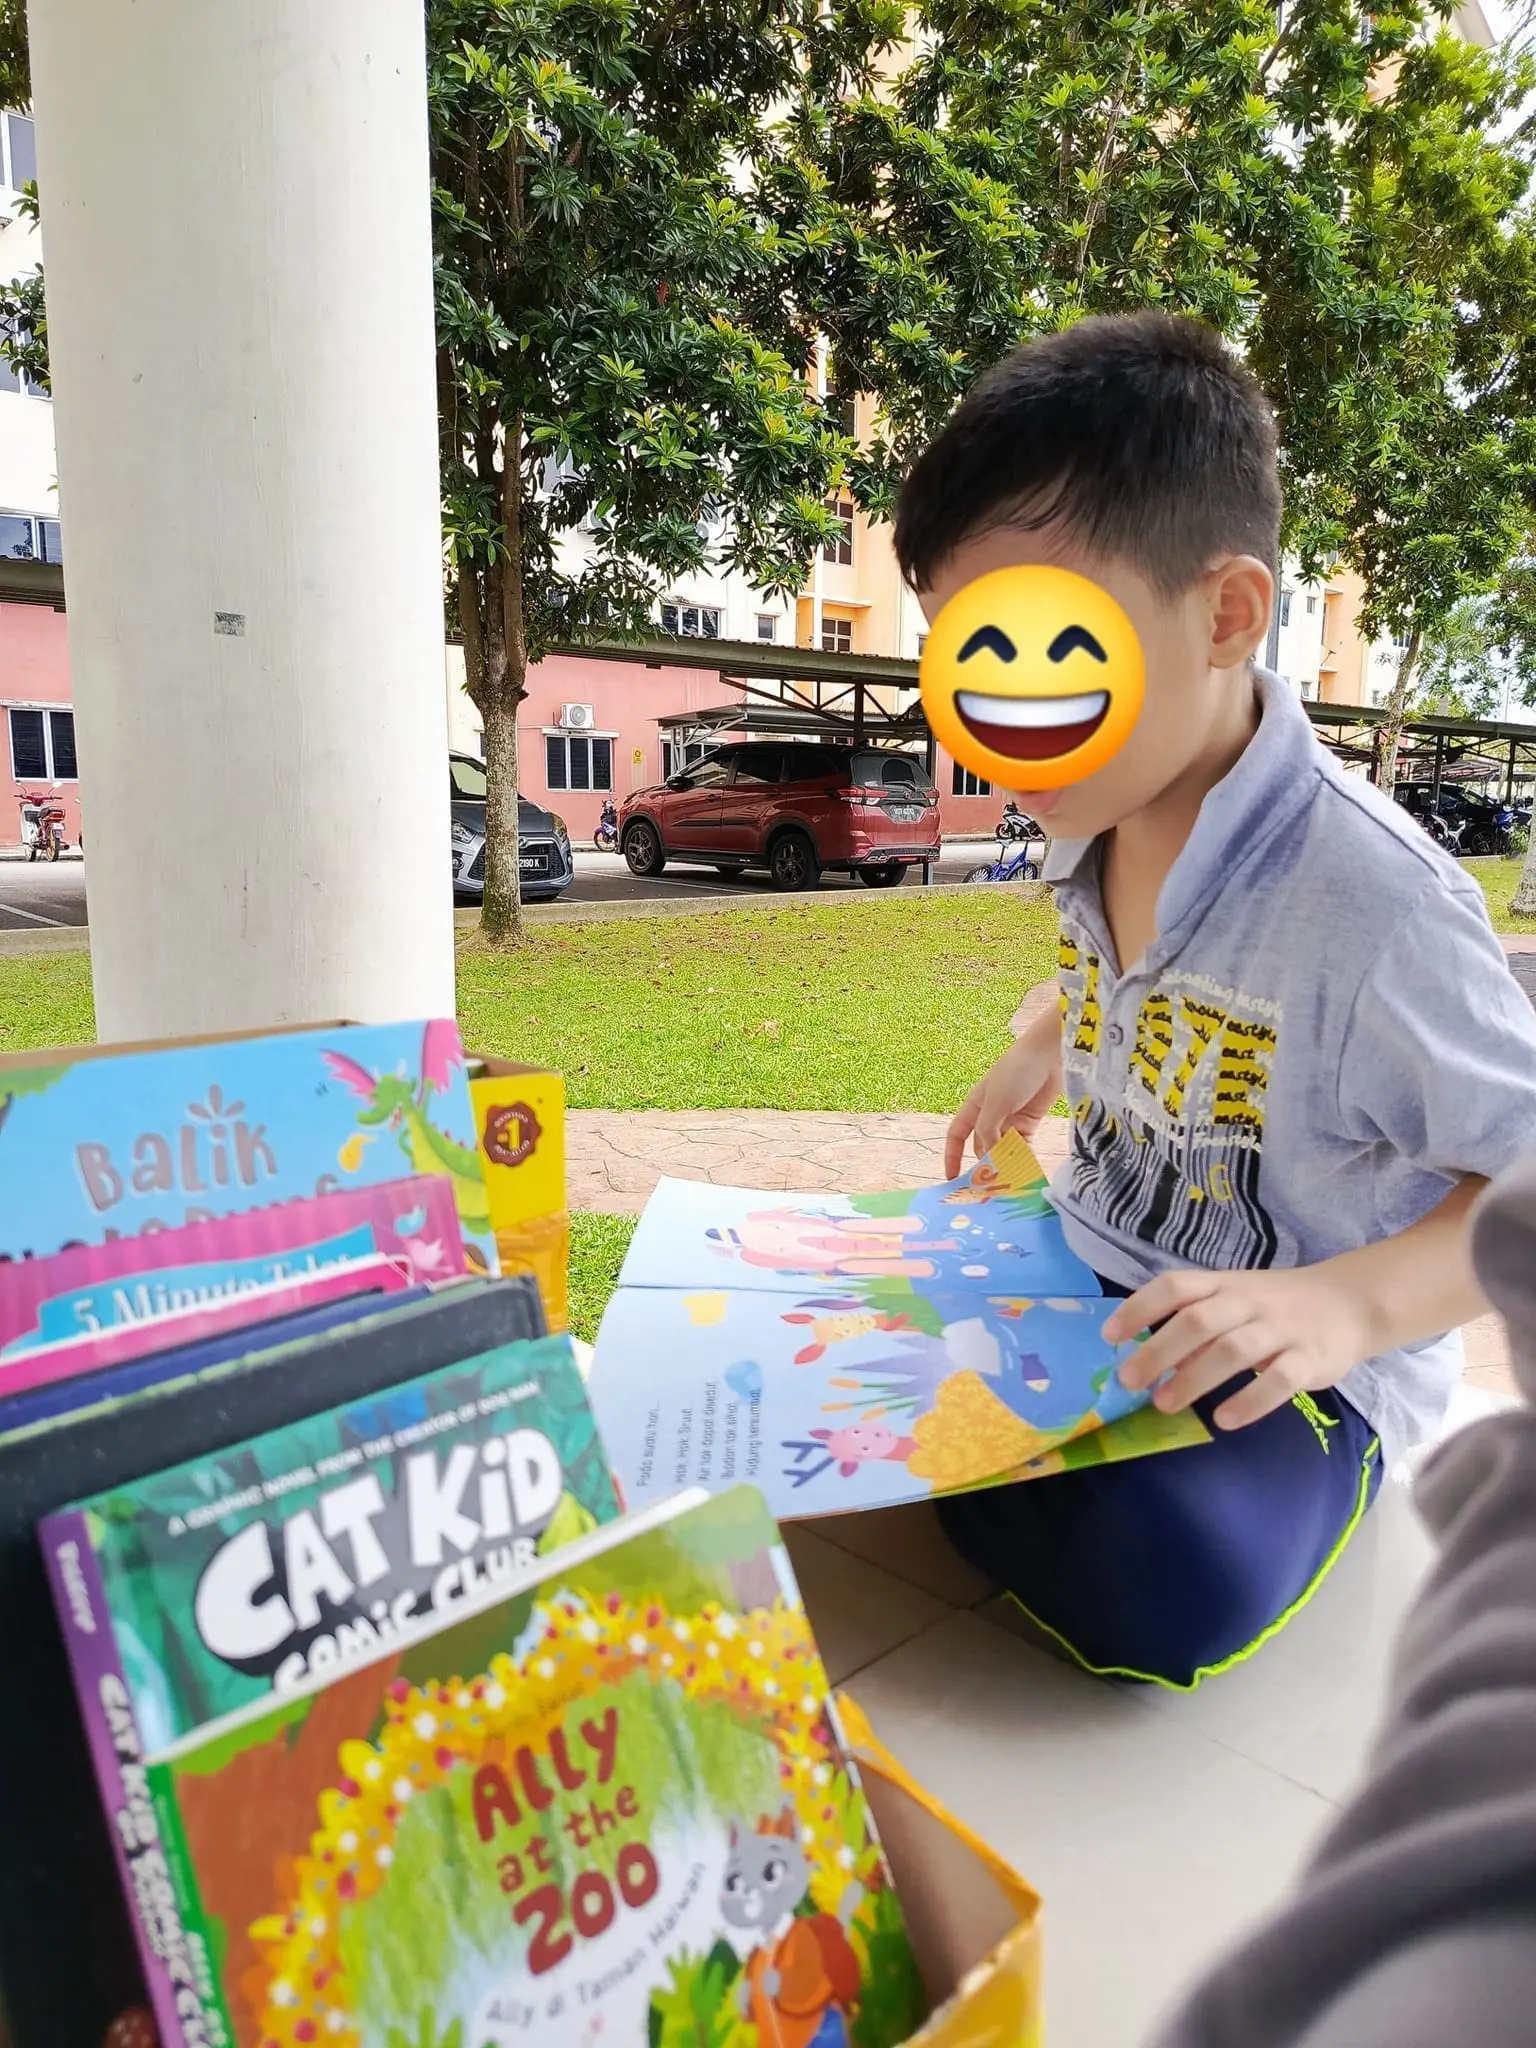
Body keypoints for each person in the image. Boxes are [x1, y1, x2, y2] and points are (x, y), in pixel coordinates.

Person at [894, 310, 1536, 1687]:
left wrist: (1346, 1309)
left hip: (1291, 1370)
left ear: (1228, 614)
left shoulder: (1379, 902)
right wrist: (1046, 1039)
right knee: (836, 1347)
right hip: (1090, 1273)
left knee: (1166, 1572)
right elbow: (1149, 968)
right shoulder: (1093, 807)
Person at [1150, 1150, 1536, 2046]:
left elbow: (1508, 1159)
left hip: (1314, 1361)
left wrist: (1355, 1305)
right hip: (1114, 1269)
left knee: (1167, 1577)